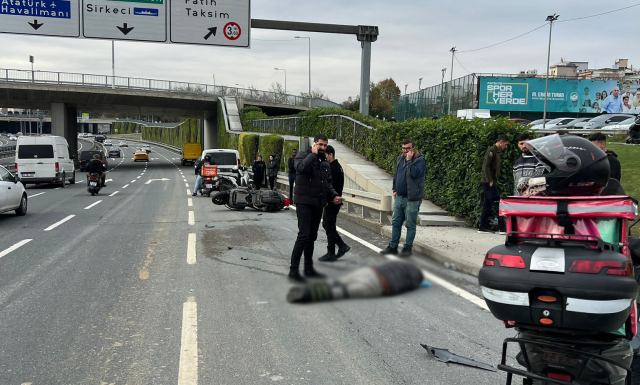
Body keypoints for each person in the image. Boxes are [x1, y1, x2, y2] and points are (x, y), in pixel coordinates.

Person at [288, 134, 343, 282]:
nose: (323, 148)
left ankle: (308, 269)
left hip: (318, 204)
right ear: (314, 144)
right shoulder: (303, 155)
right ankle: (293, 271)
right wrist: (312, 155)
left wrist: (334, 196)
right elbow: (299, 168)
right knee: (303, 235)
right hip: (304, 202)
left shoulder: (325, 162)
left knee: (312, 237)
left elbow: (328, 184)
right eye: (320, 145)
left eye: (325, 145)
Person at [380, 139, 427, 257]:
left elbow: (415, 173)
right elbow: (396, 175)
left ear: (413, 148)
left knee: (410, 224)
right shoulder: (400, 158)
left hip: (412, 199)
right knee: (396, 222)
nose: (405, 151)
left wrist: (409, 161)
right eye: (403, 148)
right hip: (399, 197)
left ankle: (407, 248)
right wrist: (394, 189)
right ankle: (393, 246)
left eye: (408, 148)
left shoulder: (420, 160)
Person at [319, 145, 350, 262]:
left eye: (325, 155)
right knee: (327, 225)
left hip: (333, 202)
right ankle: (341, 246)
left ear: (330, 155)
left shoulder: (334, 168)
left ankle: (332, 251)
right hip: (333, 201)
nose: (324, 157)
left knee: (329, 226)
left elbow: (331, 186)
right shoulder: (336, 166)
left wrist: (328, 200)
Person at [478, 135, 509, 234]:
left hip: (491, 181)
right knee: (497, 204)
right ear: (501, 142)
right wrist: (490, 180)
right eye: (506, 144)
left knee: (487, 205)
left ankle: (483, 226)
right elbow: (485, 166)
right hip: (489, 182)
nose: (506, 147)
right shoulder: (491, 151)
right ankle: (502, 228)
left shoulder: (496, 152)